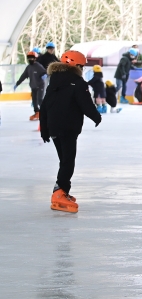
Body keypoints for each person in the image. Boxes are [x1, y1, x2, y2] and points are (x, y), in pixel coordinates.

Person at [39, 50, 102, 213]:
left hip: (53, 127)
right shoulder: (78, 82)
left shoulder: (53, 81)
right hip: (68, 127)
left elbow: (45, 106)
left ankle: (62, 190)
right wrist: (96, 117)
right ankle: (59, 193)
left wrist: (44, 129)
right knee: (68, 161)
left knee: (64, 160)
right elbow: (85, 104)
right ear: (77, 65)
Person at [14, 51, 47, 121]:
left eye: (32, 58)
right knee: (34, 101)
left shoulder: (38, 66)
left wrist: (45, 75)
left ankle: (46, 113)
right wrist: (17, 83)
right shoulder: (28, 67)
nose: (31, 59)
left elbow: (45, 72)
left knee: (39, 100)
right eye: (29, 58)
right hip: (33, 86)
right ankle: (37, 112)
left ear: (35, 58)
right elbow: (23, 76)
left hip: (40, 86)